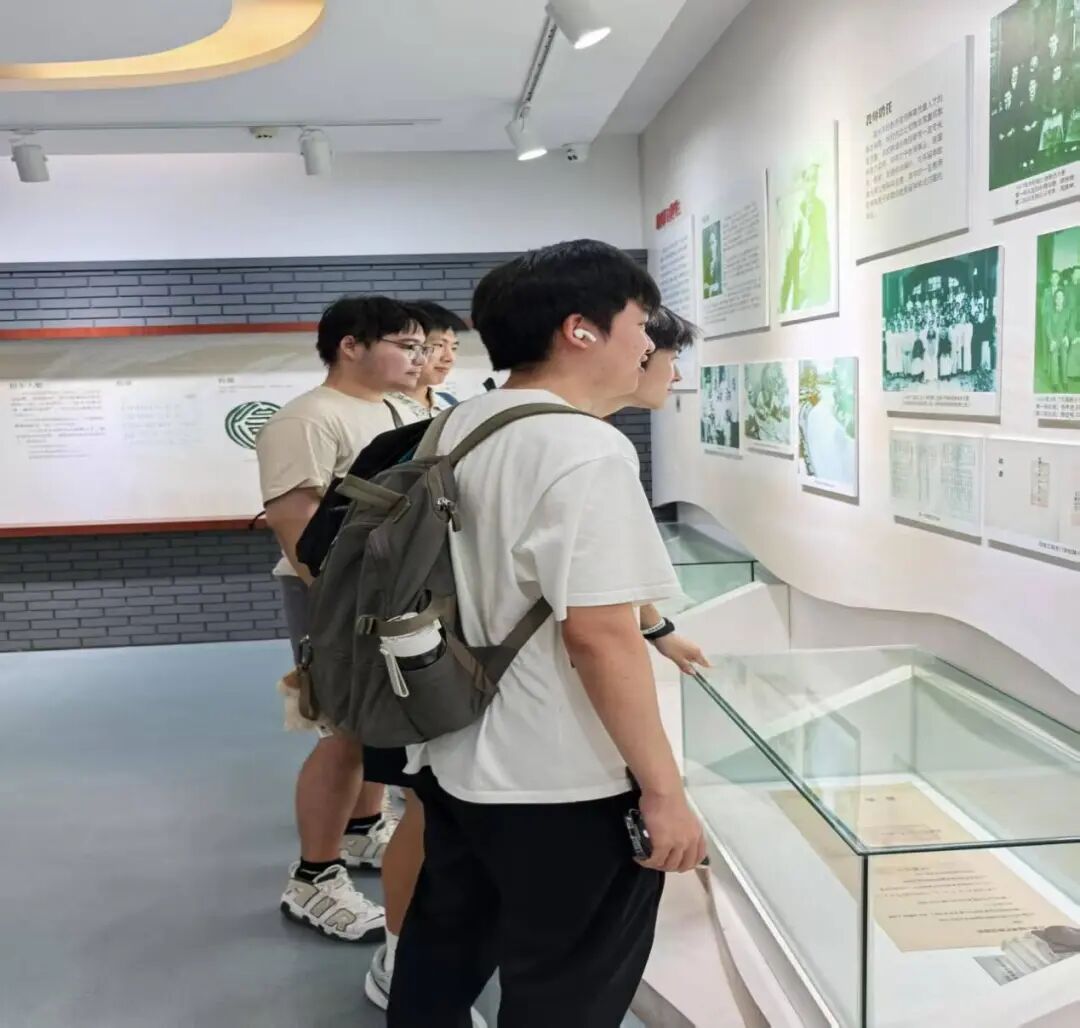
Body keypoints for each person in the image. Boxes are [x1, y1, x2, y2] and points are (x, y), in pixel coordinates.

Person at [388, 240, 706, 1028]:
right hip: (562, 782)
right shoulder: (584, 448)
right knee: (568, 993)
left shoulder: (457, 425)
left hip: (457, 752)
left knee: (440, 962)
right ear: (581, 330)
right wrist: (664, 793)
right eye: (639, 322)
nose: (647, 342)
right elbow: (599, 636)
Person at [256, 295, 433, 941]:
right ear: (350, 345)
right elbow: (296, 524)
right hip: (337, 601)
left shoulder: (402, 409)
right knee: (342, 732)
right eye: (405, 346)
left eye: (421, 347)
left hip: (397, 593)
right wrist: (347, 609)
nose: (418, 359)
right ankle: (313, 877)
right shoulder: (306, 419)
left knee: (375, 727)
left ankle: (361, 830)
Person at [389, 301, 469, 420]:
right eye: (439, 345)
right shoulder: (381, 407)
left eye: (454, 348)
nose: (449, 358)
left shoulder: (449, 403)